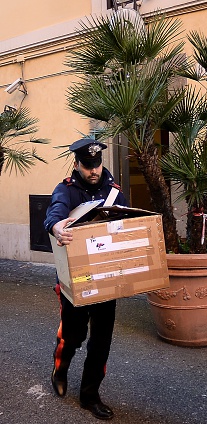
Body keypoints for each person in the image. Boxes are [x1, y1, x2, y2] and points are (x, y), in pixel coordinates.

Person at [44, 138, 128, 420]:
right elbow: (55, 212)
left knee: (101, 340)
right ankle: (60, 368)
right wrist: (57, 226)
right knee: (74, 334)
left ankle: (89, 395)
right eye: (87, 166)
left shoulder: (114, 191)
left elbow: (127, 224)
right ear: (77, 165)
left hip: (106, 276)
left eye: (97, 165)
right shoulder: (66, 190)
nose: (93, 171)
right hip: (75, 278)